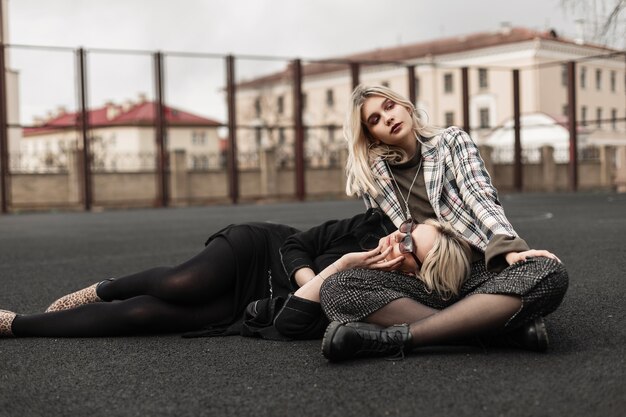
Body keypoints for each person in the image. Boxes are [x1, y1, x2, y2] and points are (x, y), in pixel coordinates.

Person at [320, 84, 569, 361]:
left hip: (480, 272)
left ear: (406, 107)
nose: (387, 118)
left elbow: (479, 194)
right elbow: (393, 239)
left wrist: (509, 248)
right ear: (372, 135)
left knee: (549, 272)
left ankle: (402, 338)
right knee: (336, 287)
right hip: (428, 282)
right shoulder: (374, 177)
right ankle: (494, 330)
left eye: (389, 106)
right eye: (375, 119)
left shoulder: (450, 142)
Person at [0, 208, 470, 341]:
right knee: (180, 284)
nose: (396, 238)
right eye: (406, 228)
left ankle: (16, 324)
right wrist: (311, 272)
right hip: (259, 252)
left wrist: (342, 269)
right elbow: (295, 243)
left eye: (408, 245)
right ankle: (103, 287)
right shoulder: (372, 225)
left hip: (256, 308)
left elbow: (296, 323)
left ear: (418, 272)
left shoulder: (382, 293)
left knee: (150, 317)